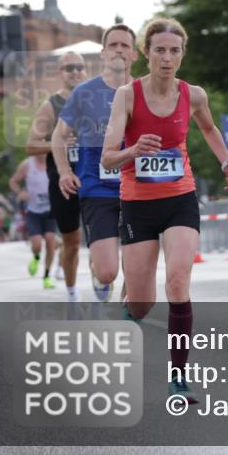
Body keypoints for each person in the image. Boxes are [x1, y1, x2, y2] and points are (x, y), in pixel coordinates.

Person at [102, 18, 228, 404]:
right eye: (160, 50)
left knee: (178, 280)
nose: (167, 58)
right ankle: (127, 311)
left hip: (180, 198)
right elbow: (108, 157)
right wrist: (134, 150)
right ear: (146, 53)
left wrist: (227, 162)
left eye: (174, 51)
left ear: (183, 55)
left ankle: (178, 376)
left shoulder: (193, 95)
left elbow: (210, 130)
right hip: (138, 205)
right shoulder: (127, 97)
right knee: (142, 303)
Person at [52, 24, 136, 302]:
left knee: (136, 263)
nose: (119, 50)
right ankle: (101, 274)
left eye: (125, 45)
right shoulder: (84, 93)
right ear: (102, 53)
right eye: (114, 45)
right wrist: (64, 171)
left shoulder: (144, 90)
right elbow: (58, 136)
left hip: (138, 187)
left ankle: (128, 311)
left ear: (135, 54)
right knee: (108, 270)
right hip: (97, 189)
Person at [26, 52, 87, 300]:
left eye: (79, 67)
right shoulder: (50, 105)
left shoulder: (95, 100)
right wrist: (57, 144)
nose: (74, 72)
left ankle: (101, 271)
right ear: (60, 73)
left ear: (85, 71)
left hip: (94, 178)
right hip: (63, 182)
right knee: (71, 240)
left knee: (104, 235)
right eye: (69, 68)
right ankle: (72, 292)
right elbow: (30, 146)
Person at [9, 155, 59, 289]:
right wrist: (20, 192)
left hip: (50, 210)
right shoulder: (27, 164)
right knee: (37, 244)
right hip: (33, 211)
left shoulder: (54, 162)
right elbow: (13, 181)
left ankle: (47, 277)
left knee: (50, 240)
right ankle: (36, 257)